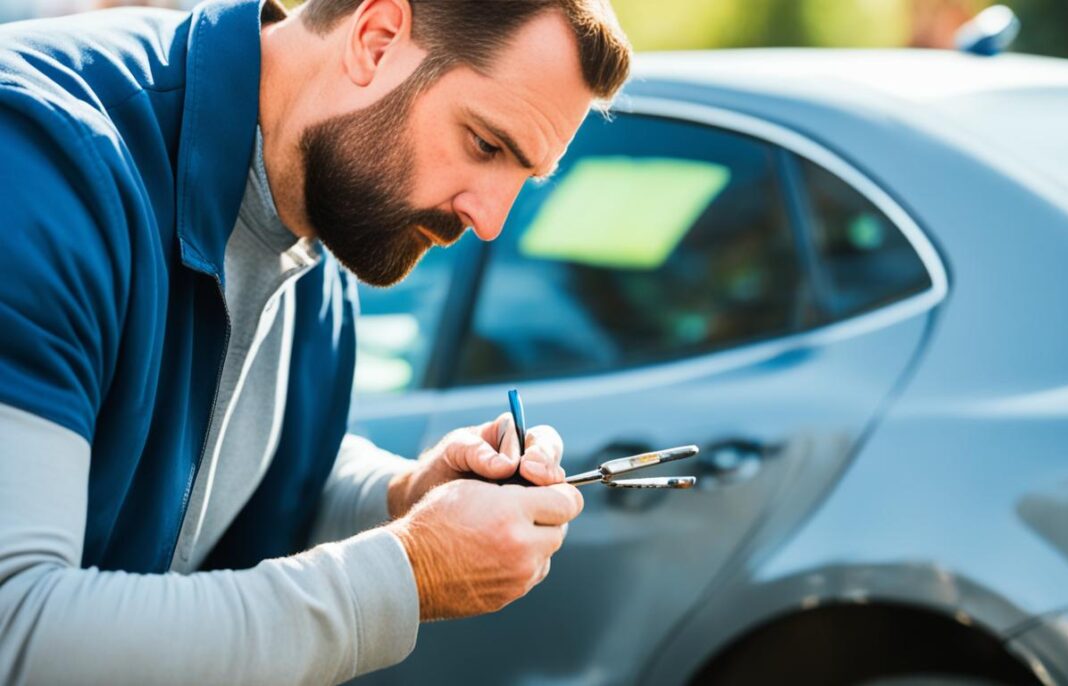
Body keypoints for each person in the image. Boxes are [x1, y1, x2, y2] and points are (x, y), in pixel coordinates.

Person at [0, 0, 631, 682]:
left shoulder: (319, 210)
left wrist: (403, 495)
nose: (489, 220)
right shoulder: (39, 166)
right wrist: (410, 572)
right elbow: (17, 630)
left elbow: (231, 472)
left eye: (523, 176)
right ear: (376, 37)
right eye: (484, 144)